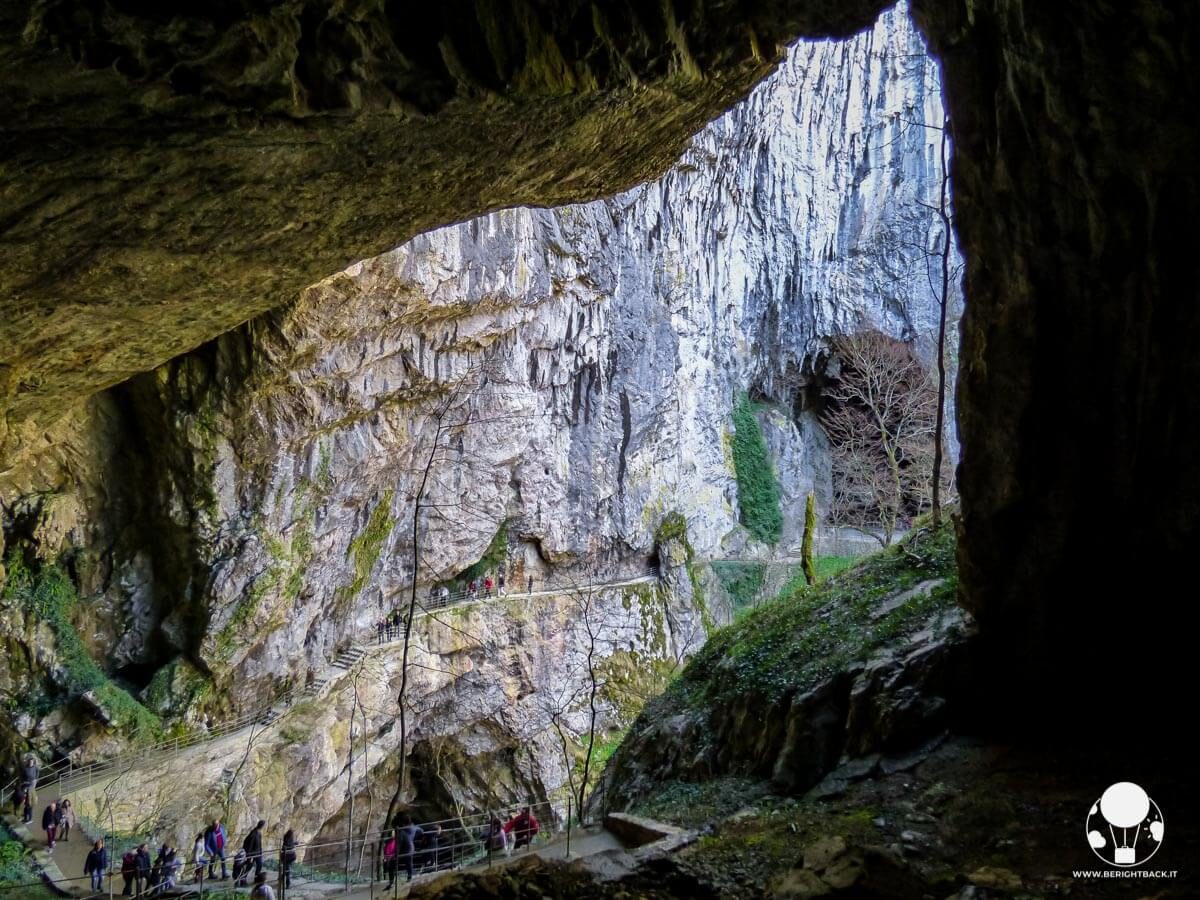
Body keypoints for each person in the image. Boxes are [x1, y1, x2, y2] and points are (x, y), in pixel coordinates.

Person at [396, 814, 423, 883]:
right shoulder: (413, 827)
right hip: (411, 847)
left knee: (405, 863)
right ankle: (410, 876)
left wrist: (396, 851)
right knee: (409, 863)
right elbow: (421, 830)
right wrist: (415, 837)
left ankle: (408, 876)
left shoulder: (402, 830)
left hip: (405, 848)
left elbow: (399, 841)